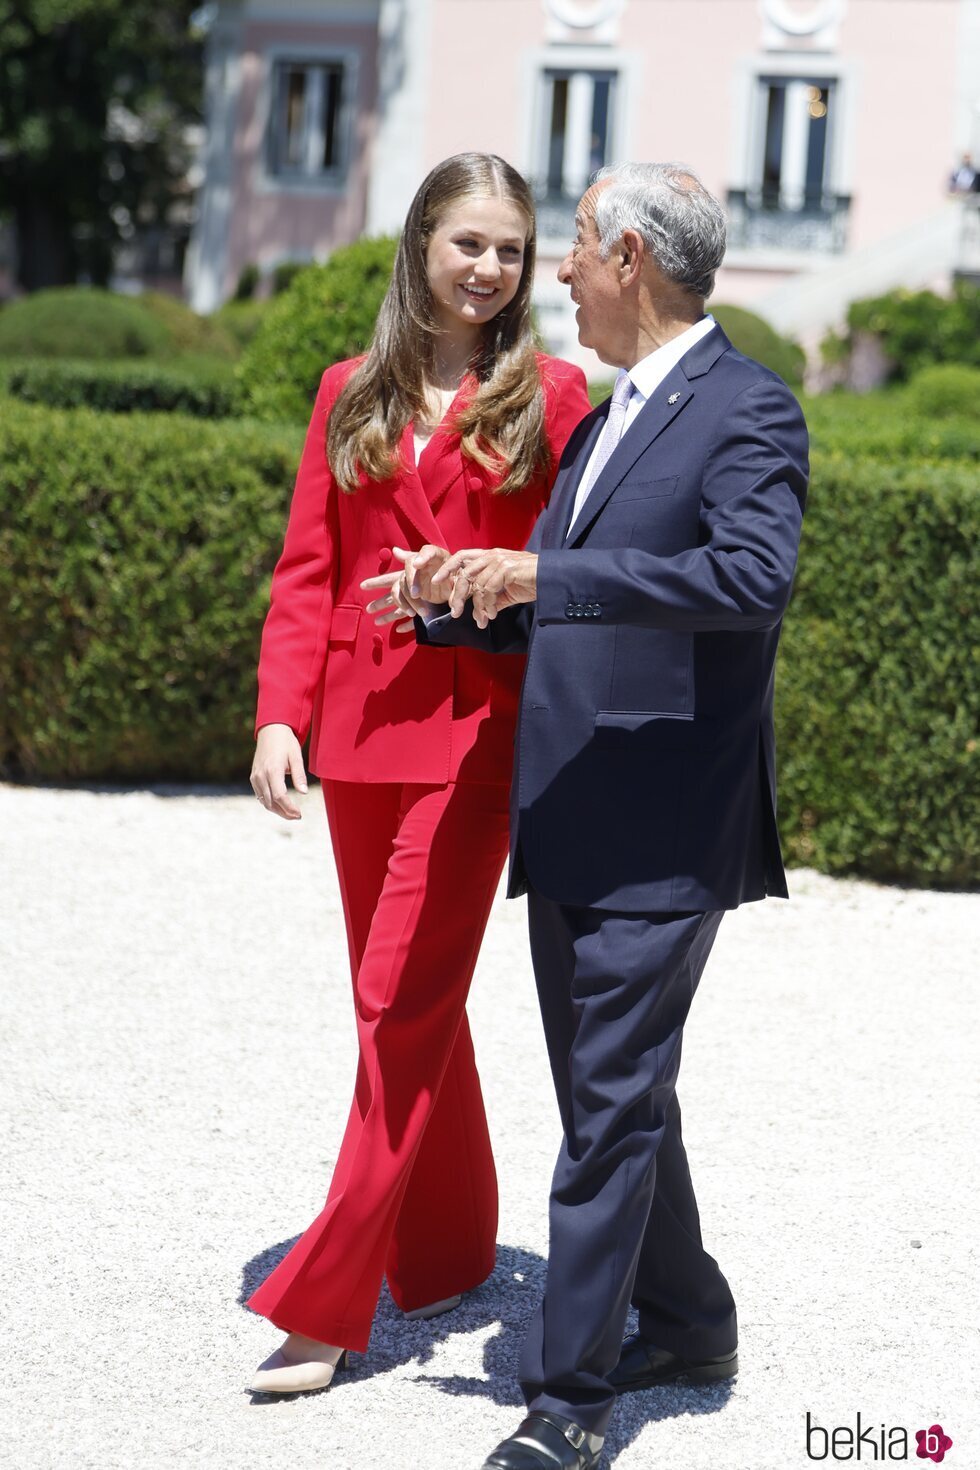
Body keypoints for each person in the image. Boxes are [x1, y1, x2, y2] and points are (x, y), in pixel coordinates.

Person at [372, 161, 809, 1468]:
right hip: (570, 811)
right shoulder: (607, 418)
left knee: (607, 1105)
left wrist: (547, 567)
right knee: (616, 1093)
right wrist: (452, 601)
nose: (554, 272)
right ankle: (688, 1315)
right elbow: (572, 604)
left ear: (630, 259)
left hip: (667, 827)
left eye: (570, 247)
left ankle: (567, 1403)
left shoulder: (750, 409)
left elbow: (750, 575)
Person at [246, 152, 590, 1395]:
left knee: (397, 1000)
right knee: (394, 997)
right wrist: (279, 717)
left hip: (477, 736)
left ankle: (327, 1302)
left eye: (509, 248)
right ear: (421, 245)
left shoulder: (551, 396)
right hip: (358, 731)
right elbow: (306, 571)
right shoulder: (349, 390)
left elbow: (569, 575)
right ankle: (445, 1247)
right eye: (469, 244)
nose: (490, 269)